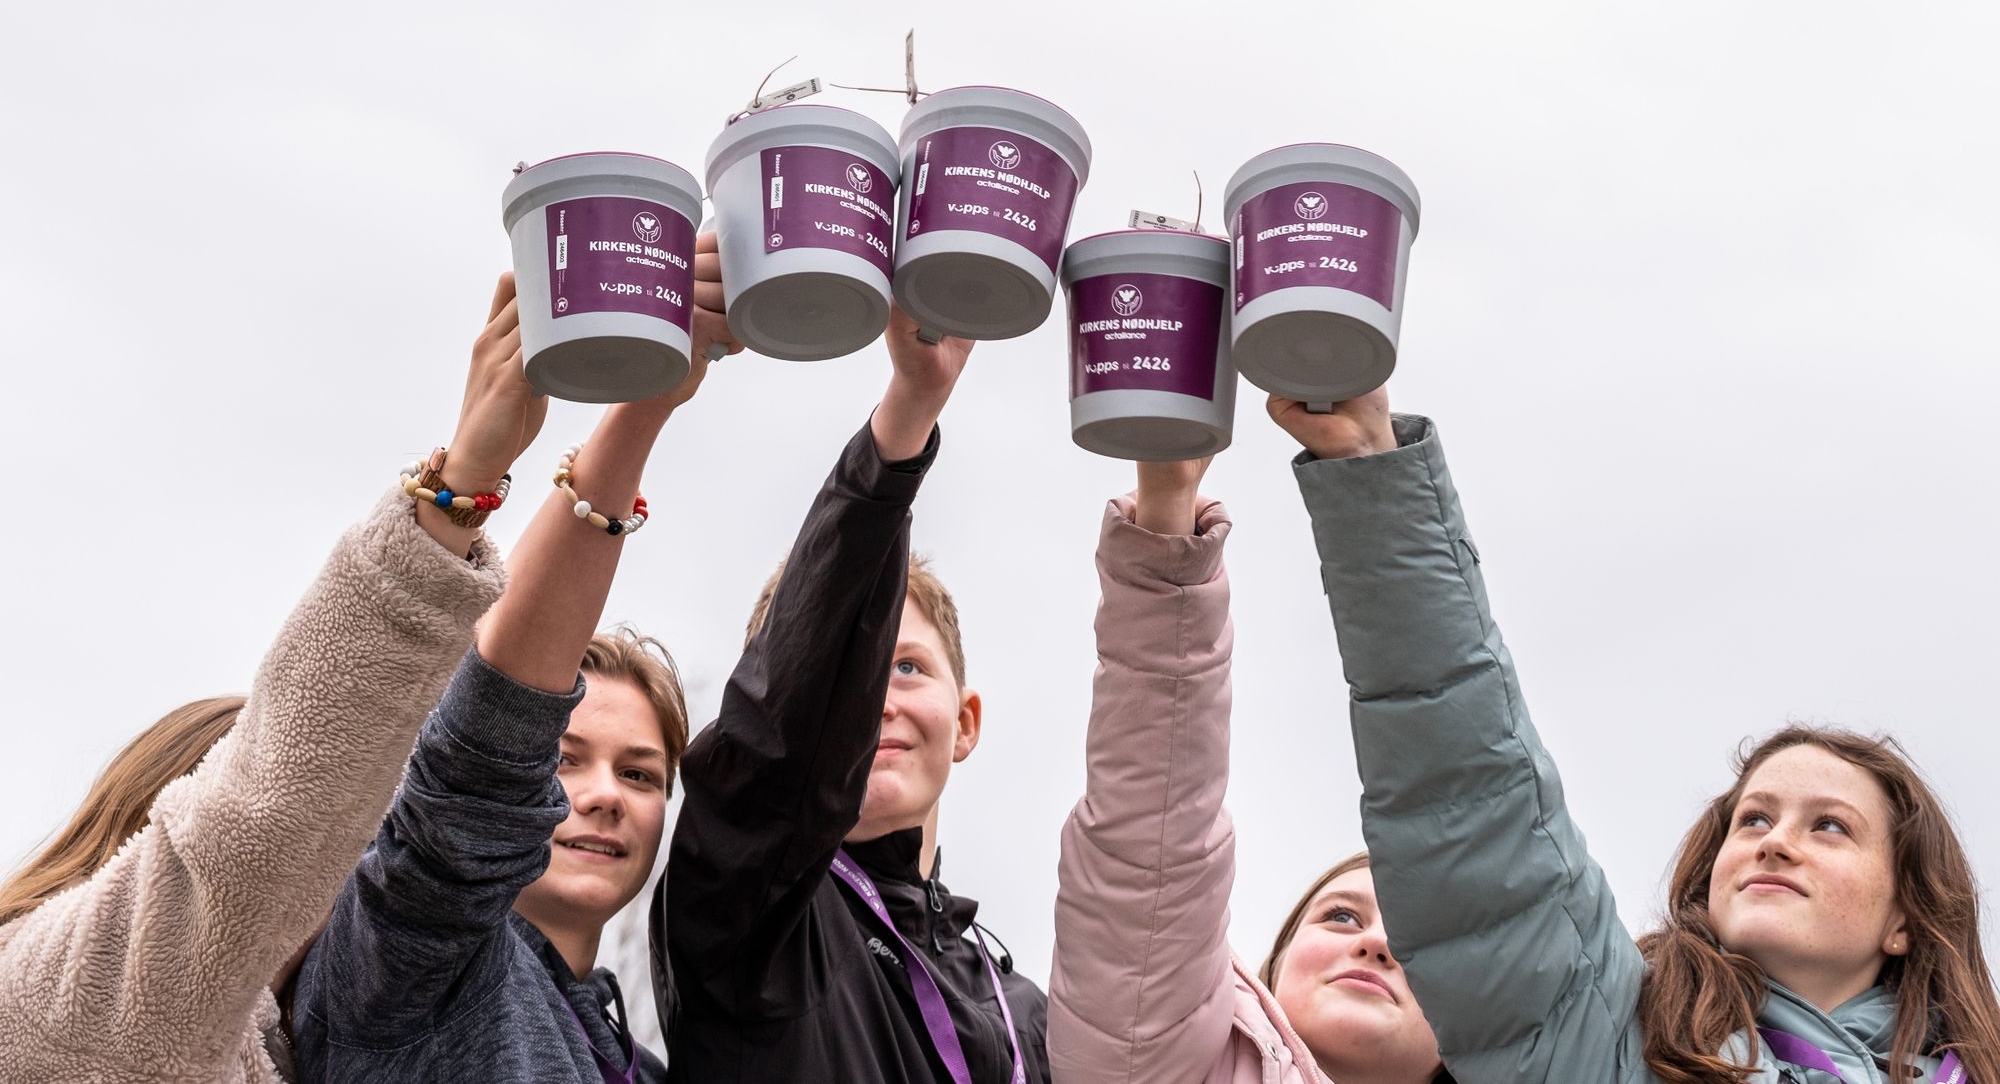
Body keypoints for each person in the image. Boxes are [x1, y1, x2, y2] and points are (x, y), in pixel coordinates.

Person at [1279, 389, 2000, 1084]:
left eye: (1830, 826)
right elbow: (1473, 797)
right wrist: (1373, 470)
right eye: (1753, 817)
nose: (1775, 841)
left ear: (1905, 917)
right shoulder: (1608, 1041)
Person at [0, 273, 542, 1084]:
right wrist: (456, 491)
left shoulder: (270, 1051)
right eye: (348, 838)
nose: (354, 872)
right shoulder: (81, 996)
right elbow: (261, 822)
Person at [292, 232, 734, 1083]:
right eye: (563, 759)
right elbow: (488, 748)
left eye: (641, 774)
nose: (605, 795)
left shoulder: (645, 1065)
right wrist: (645, 403)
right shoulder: (401, 966)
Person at [657, 307, 1049, 1083]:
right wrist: (906, 419)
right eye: (854, 673)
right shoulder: (748, 914)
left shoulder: (1024, 1009)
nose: (875, 700)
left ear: (965, 721)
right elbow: (781, 747)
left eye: (906, 668)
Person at [1049, 455, 1448, 1084]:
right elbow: (1153, 843)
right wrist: (1168, 515)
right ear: (1271, 970)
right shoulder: (1157, 1060)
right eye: (1340, 916)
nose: (1376, 945)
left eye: (1421, 943)